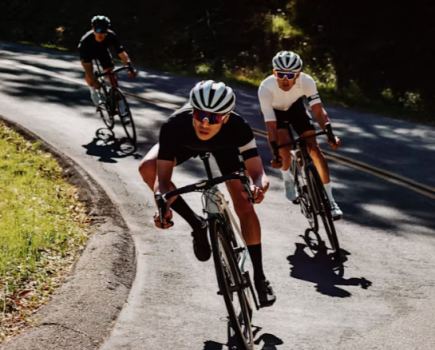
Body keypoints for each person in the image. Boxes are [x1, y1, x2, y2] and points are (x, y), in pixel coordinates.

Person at [138, 80, 276, 307]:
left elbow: (258, 173)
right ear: (192, 110)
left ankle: (260, 277)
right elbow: (162, 180)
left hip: (226, 148)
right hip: (184, 143)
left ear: (226, 117)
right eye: (200, 114)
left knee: (243, 202)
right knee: (147, 168)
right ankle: (197, 224)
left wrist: (258, 188)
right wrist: (162, 207)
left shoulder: (238, 127)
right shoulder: (174, 125)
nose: (205, 122)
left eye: (214, 118)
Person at [258, 50, 343, 219]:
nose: (285, 79)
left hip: (295, 107)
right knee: (284, 146)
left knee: (314, 149)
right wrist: (275, 153)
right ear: (275, 72)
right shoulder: (265, 88)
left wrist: (330, 134)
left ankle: (330, 199)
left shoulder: (307, 81)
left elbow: (318, 111)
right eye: (281, 74)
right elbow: (271, 126)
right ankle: (287, 179)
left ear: (298, 75)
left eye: (290, 75)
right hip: (276, 113)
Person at [78, 15, 137, 124]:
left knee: (112, 76)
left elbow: (123, 55)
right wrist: (95, 81)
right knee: (90, 74)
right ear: (93, 29)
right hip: (88, 51)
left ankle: (123, 112)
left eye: (104, 30)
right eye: (98, 30)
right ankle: (94, 94)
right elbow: (87, 68)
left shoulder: (111, 35)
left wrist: (130, 68)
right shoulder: (85, 41)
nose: (101, 33)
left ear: (107, 30)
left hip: (102, 51)